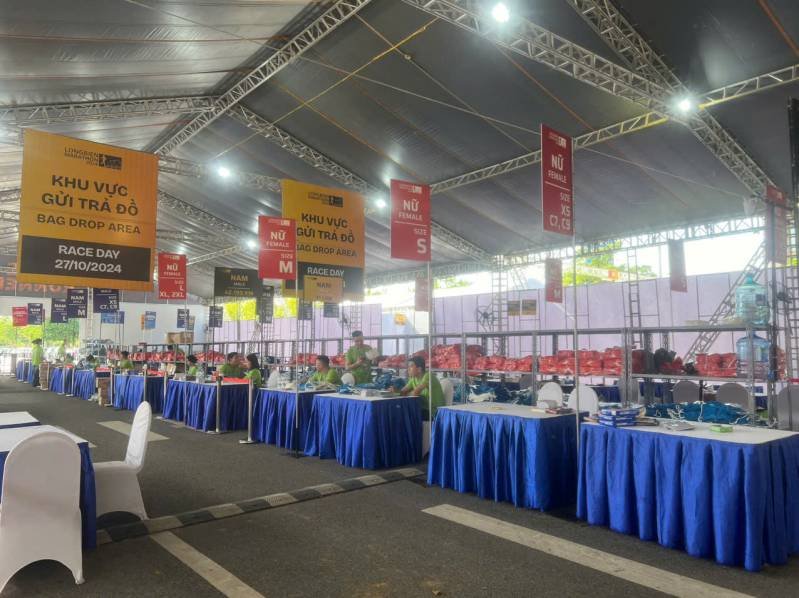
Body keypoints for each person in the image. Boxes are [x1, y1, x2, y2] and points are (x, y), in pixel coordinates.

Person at [398, 356, 444, 420]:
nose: (408, 369)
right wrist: (395, 391)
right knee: (400, 411)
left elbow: (415, 393)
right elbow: (402, 392)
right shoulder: (413, 378)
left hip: (434, 412)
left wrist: (406, 393)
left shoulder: (428, 376)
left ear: (419, 369)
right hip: (424, 409)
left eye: (411, 366)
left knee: (406, 414)